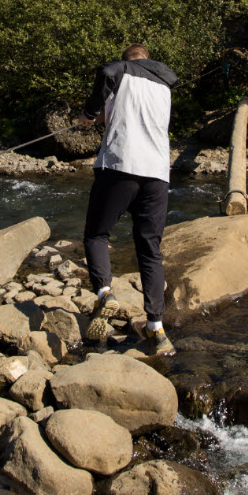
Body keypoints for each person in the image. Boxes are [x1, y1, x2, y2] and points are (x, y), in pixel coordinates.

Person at [78, 43, 178, 356]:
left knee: (96, 233)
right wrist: (100, 115)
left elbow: (107, 74)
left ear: (128, 60)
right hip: (158, 174)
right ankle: (155, 326)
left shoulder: (121, 72)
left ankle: (105, 293)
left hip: (120, 166)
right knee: (149, 248)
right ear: (150, 60)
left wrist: (89, 113)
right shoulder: (164, 85)